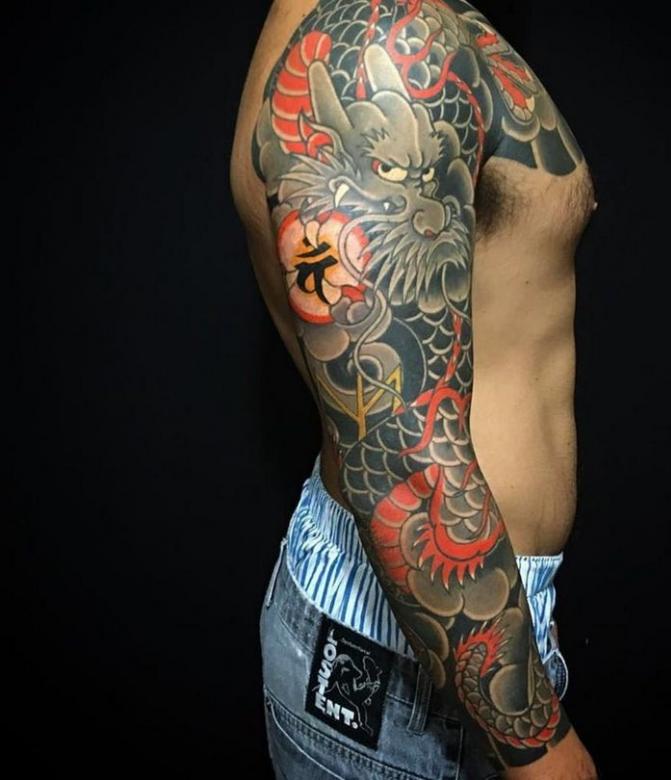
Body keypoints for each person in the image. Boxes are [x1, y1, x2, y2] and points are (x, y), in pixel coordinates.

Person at [230, 1, 598, 777]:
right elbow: (400, 457)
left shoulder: (332, 21)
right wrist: (543, 754)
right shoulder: (381, 44)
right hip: (420, 665)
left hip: (439, 635)